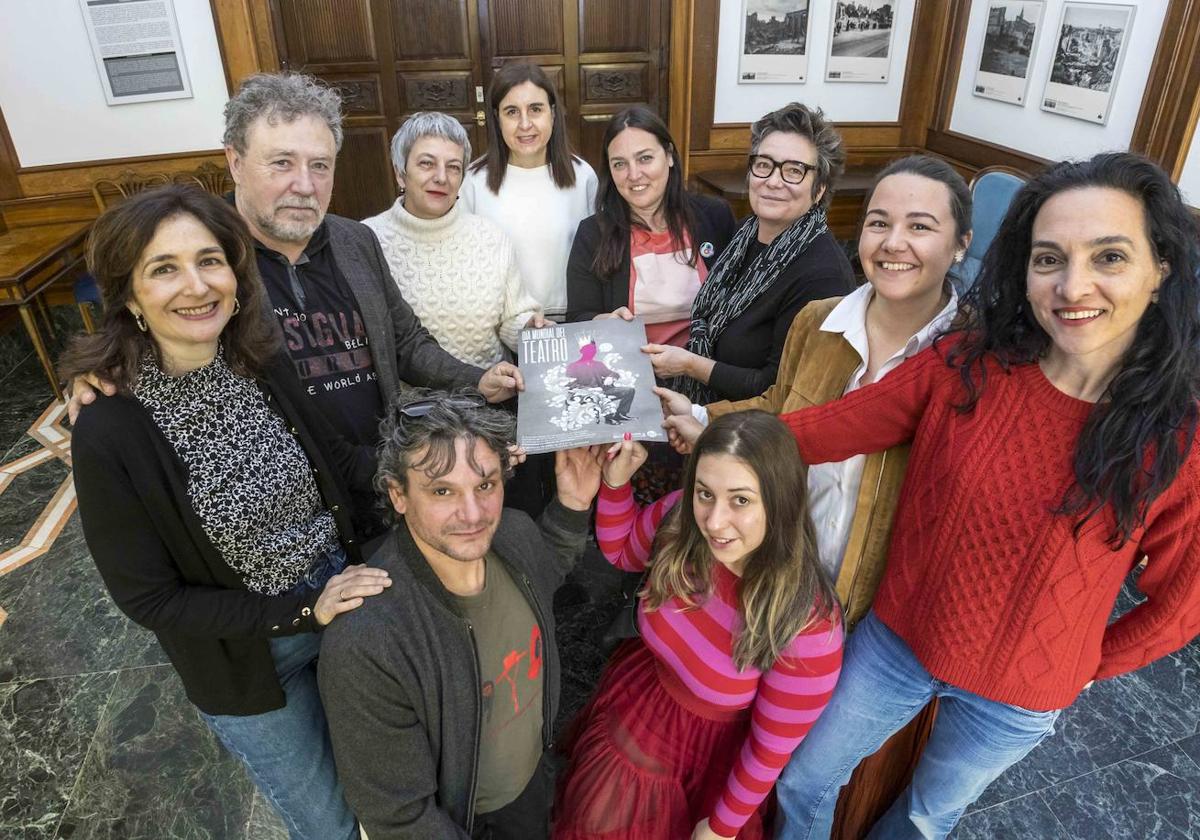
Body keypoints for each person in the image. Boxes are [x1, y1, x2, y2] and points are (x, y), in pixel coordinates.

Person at [673, 151, 1200, 838]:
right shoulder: (968, 363)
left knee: (927, 815)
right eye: (1049, 259)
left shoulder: (1178, 439)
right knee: (804, 777)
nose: (1073, 286)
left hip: (1020, 697)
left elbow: (1180, 605)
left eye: (1108, 257)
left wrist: (1083, 666)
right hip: (896, 644)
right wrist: (714, 434)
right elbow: (828, 427)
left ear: (1159, 271)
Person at [63, 185, 393, 840]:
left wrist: (458, 472)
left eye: (209, 260)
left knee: (386, 794)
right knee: (327, 826)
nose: (196, 285)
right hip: (249, 665)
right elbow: (149, 599)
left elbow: (343, 463)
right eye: (164, 268)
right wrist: (303, 610)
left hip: (345, 607)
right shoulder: (109, 428)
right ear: (128, 296)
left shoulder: (261, 362)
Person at [659, 153, 972, 837]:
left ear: (960, 244)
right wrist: (705, 421)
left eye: (920, 226)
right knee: (760, 746)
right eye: (880, 223)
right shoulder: (819, 320)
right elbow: (776, 404)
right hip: (783, 570)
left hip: (875, 612)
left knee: (818, 772)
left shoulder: (974, 360)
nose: (893, 243)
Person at [69, 74, 523, 448]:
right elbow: (155, 333)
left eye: (319, 165)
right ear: (235, 161)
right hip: (285, 502)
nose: (304, 185)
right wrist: (103, 377)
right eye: (282, 162)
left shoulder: (355, 241)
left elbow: (404, 341)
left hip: (381, 467)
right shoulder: (210, 262)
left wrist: (477, 380)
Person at [318, 391, 605, 840]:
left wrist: (571, 506)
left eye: (485, 485)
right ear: (398, 495)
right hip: (469, 820)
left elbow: (545, 571)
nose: (473, 515)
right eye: (442, 490)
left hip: (534, 782)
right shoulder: (368, 643)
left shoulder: (513, 532)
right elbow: (400, 816)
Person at [554, 412, 844, 840]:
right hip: (638, 693)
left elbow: (768, 752)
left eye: (741, 500)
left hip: (709, 757)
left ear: (780, 502)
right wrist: (616, 485)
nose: (713, 522)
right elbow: (623, 552)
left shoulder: (808, 624)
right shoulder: (680, 520)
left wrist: (722, 828)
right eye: (705, 493)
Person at [646, 103, 856, 405]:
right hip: (702, 408)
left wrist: (690, 364)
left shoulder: (824, 276)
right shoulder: (745, 231)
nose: (772, 180)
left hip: (755, 434)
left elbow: (777, 390)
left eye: (794, 170)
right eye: (763, 164)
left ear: (820, 188)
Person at [363, 111, 546, 368]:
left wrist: (530, 329)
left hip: (490, 398)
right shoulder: (366, 241)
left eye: (453, 167)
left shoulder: (489, 237)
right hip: (409, 403)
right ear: (400, 173)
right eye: (427, 163)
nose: (441, 177)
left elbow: (512, 319)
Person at [565, 105, 736, 348]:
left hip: (705, 369)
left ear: (668, 156)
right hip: (635, 374)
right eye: (620, 164)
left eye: (645, 158)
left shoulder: (714, 217)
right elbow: (578, 318)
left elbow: (739, 303)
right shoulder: (593, 234)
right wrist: (604, 322)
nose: (634, 175)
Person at [462, 62, 598, 322]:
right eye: (512, 112)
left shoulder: (582, 176)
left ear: (553, 114)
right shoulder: (473, 181)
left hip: (571, 321)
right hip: (502, 326)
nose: (525, 124)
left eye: (535, 109)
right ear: (496, 118)